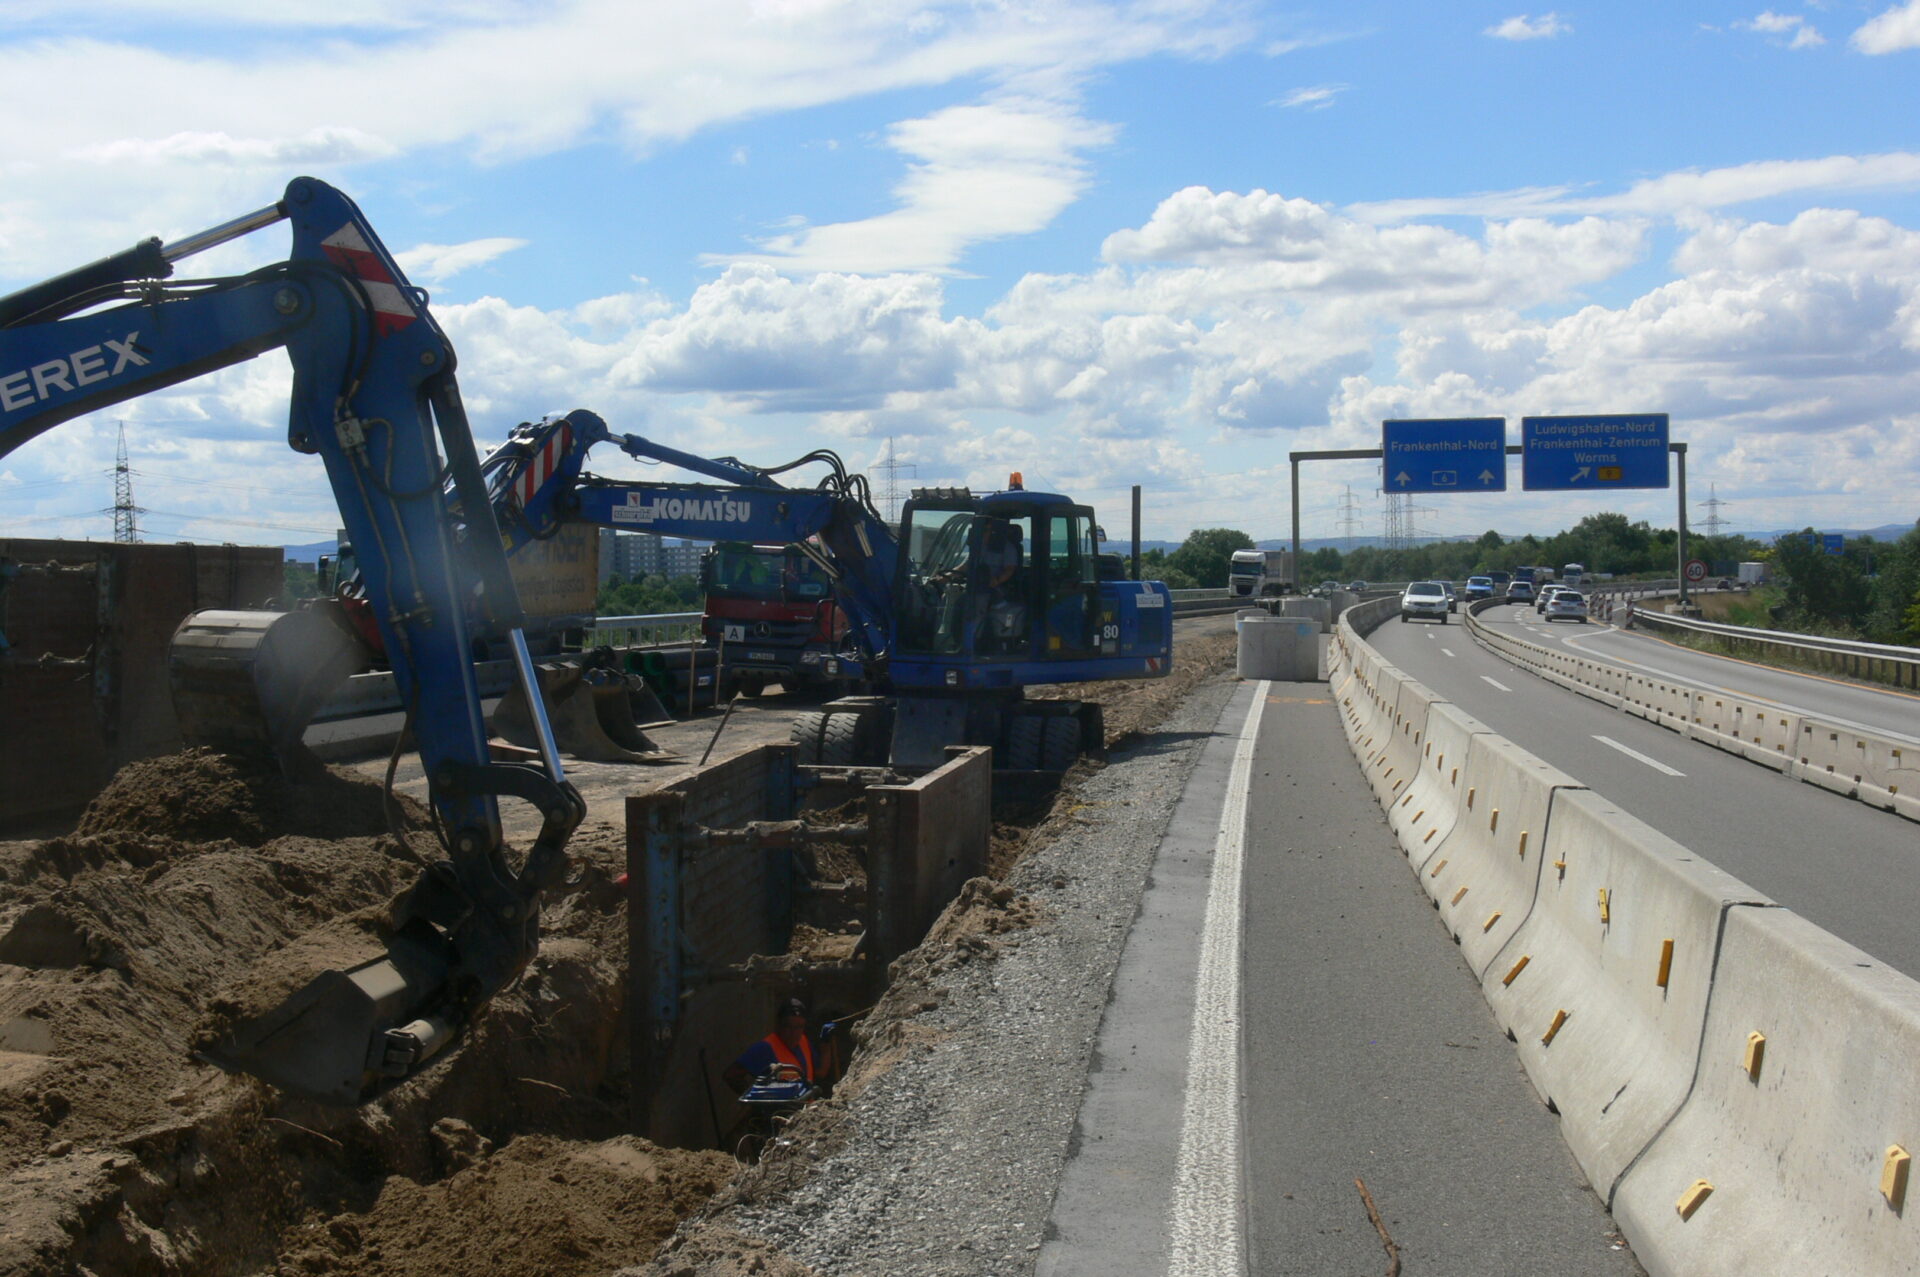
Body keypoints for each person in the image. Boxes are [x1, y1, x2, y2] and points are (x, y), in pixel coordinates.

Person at [723, 997, 837, 1095]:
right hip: (779, 1115)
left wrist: (825, 1043)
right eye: (788, 1026)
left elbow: (821, 1072)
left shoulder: (803, 1041)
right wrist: (757, 1101)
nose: (794, 1033)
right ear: (778, 1025)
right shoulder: (765, 1048)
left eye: (799, 1027)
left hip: (804, 1112)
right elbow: (731, 1075)